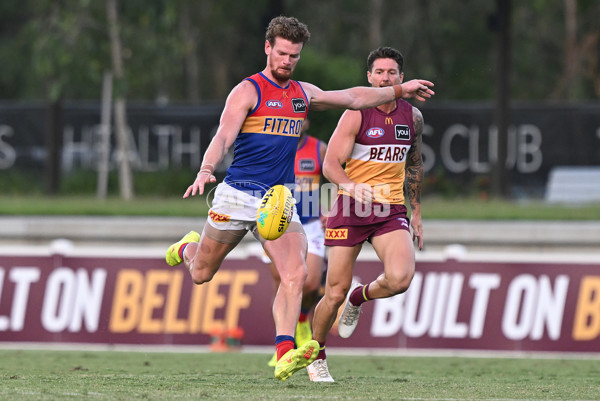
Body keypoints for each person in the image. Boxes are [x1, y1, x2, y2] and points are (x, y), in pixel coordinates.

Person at [165, 16, 434, 382]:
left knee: (297, 274)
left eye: (294, 55)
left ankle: (284, 352)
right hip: (235, 196)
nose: (287, 61)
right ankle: (186, 249)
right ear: (268, 49)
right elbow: (224, 135)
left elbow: (354, 97)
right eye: (282, 53)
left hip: (277, 200)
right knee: (201, 274)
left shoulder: (302, 93)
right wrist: (205, 169)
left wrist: (400, 91)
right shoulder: (247, 91)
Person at [307, 46, 426, 382]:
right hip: (351, 207)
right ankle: (316, 355)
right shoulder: (356, 114)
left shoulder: (413, 117)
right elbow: (330, 164)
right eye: (378, 72)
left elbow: (414, 165)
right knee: (333, 292)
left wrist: (415, 213)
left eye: (391, 73)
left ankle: (359, 297)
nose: (384, 78)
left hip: (390, 210)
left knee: (401, 278)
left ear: (401, 78)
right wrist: (349, 185)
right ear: (369, 77)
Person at [264, 118, 328, 367]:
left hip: (311, 224)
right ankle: (282, 343)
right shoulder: (272, 147)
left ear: (307, 123)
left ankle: (301, 320)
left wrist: (330, 209)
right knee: (280, 282)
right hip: (280, 223)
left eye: (300, 119)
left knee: (311, 282)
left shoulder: (318, 148)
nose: (295, 123)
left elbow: (338, 174)